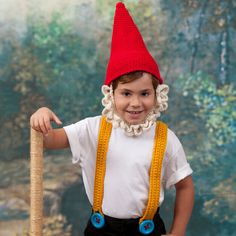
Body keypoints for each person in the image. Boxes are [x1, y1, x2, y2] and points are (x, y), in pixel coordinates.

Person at [30, 2, 194, 236]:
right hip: (101, 229)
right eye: (126, 93)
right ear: (111, 94)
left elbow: (185, 186)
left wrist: (178, 232)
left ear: (157, 95)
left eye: (145, 93)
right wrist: (41, 115)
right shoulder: (92, 129)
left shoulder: (166, 139)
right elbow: (48, 140)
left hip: (147, 229)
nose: (136, 103)